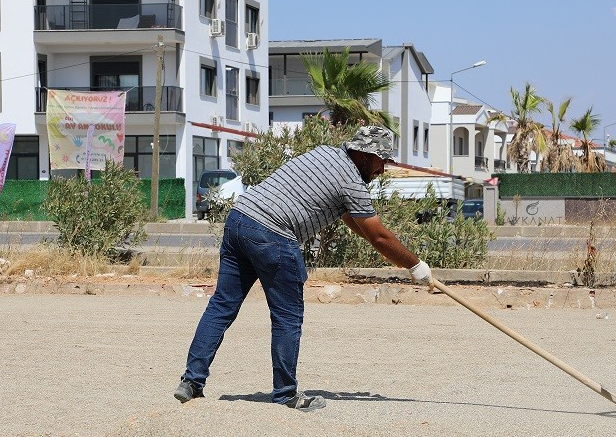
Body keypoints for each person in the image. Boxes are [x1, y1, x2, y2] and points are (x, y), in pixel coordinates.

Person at [174, 125, 434, 411]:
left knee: (222, 305)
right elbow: (379, 236)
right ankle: (285, 394)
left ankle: (191, 382)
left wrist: (390, 251)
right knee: (287, 316)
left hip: (240, 219)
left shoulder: (324, 154)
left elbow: (358, 223)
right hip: (273, 233)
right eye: (381, 161)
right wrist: (415, 265)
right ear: (363, 155)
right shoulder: (352, 181)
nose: (382, 169)